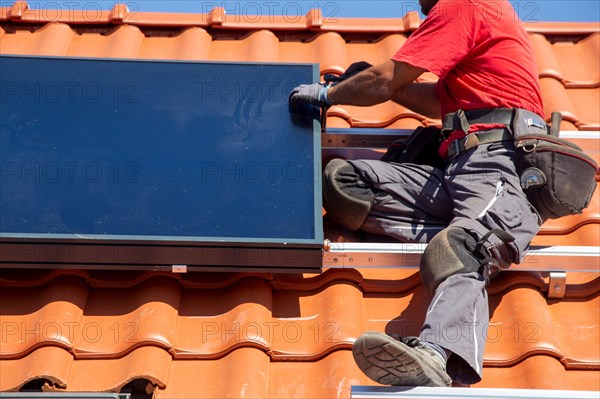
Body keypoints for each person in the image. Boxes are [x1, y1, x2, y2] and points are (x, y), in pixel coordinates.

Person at [289, 0, 548, 387]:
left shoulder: (465, 4)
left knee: (463, 249)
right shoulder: (477, 34)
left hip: (500, 161)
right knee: (344, 183)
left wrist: (329, 95)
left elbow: (383, 80)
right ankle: (483, 232)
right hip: (457, 170)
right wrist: (393, 89)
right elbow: (435, 101)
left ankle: (437, 354)